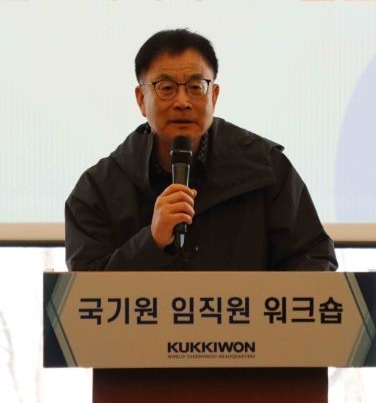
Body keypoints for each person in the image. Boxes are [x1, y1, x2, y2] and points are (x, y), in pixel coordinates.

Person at [65, 29, 337, 272]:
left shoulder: (266, 169)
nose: (182, 102)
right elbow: (81, 295)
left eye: (196, 87)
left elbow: (313, 259)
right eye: (166, 88)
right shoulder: (99, 189)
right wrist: (152, 241)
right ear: (141, 100)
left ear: (213, 96)